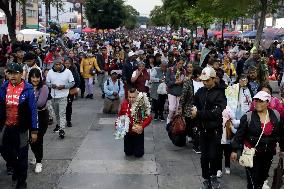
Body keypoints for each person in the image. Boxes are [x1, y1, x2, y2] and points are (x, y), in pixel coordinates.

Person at [231, 91, 284, 189]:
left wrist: (282, 148)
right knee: (253, 180)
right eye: (256, 101)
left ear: (268, 103)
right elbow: (239, 135)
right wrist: (234, 150)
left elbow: (280, 133)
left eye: (261, 101)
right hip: (252, 154)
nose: (257, 103)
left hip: (268, 153)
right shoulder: (248, 116)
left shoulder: (275, 115)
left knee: (262, 178)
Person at [0, 63, 38, 189]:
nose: (12, 76)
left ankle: (22, 182)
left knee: (22, 155)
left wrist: (34, 130)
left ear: (21, 74)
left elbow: (33, 110)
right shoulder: (3, 87)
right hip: (6, 126)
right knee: (5, 151)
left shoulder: (28, 89)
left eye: (15, 73)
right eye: (10, 73)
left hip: (21, 128)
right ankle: (15, 168)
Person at [191, 67, 227, 189]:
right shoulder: (200, 91)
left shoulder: (220, 93)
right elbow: (194, 105)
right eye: (203, 80)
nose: (204, 82)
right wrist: (195, 116)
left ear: (213, 79)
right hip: (202, 130)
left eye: (207, 80)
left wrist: (199, 113)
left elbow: (216, 113)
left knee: (214, 155)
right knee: (204, 157)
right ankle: (206, 178)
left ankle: (213, 176)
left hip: (215, 131)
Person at [117, 88, 152, 158]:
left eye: (133, 97)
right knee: (128, 153)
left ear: (137, 96)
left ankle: (138, 148)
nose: (131, 99)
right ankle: (131, 147)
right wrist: (118, 127)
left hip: (138, 132)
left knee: (138, 154)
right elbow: (119, 117)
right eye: (130, 97)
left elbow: (149, 117)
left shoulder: (141, 105)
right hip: (128, 132)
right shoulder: (124, 104)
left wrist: (142, 126)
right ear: (127, 96)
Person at [46, 58, 75, 139]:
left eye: (59, 64)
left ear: (62, 64)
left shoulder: (67, 72)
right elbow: (47, 82)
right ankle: (59, 125)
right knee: (56, 113)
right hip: (54, 96)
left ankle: (62, 129)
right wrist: (52, 85)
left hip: (63, 95)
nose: (58, 66)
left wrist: (64, 86)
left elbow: (72, 82)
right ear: (53, 65)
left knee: (62, 113)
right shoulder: (50, 72)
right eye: (56, 65)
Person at [28, 68, 49, 173]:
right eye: (33, 77)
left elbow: (40, 103)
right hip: (30, 117)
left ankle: (39, 162)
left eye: (37, 77)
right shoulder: (27, 87)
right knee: (31, 140)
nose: (35, 79)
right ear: (30, 77)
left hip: (41, 116)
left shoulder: (44, 88)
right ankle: (36, 156)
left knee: (38, 139)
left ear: (40, 77)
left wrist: (26, 105)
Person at [166, 58, 185, 124]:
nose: (181, 65)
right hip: (171, 91)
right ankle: (168, 120)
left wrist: (182, 81)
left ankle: (175, 123)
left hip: (180, 92)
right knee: (172, 108)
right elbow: (167, 82)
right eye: (180, 63)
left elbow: (184, 82)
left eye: (182, 63)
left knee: (177, 110)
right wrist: (174, 82)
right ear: (176, 62)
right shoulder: (170, 69)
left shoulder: (184, 71)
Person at [64, 58, 80, 127]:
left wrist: (73, 87)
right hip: (62, 91)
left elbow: (77, 80)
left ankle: (68, 120)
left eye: (68, 63)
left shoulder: (74, 70)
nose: (67, 64)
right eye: (66, 63)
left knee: (69, 106)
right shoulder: (62, 70)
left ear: (71, 63)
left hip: (70, 91)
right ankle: (61, 121)